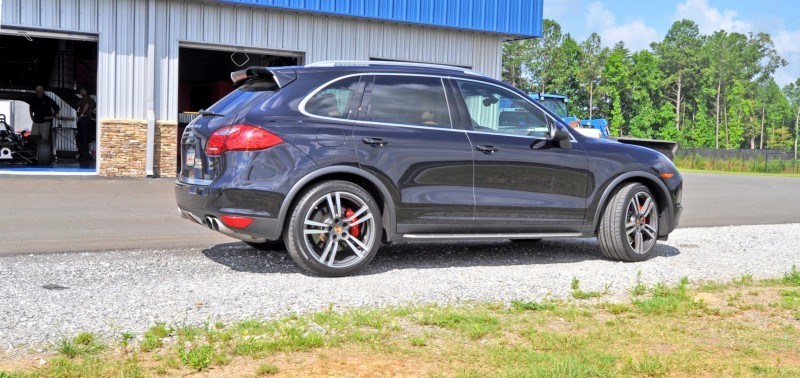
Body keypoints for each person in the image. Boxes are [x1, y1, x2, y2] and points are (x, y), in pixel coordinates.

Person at [75, 86, 96, 162]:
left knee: (82, 138)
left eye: (81, 89)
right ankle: (83, 154)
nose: (80, 90)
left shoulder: (85, 97)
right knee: (80, 138)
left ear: (84, 90)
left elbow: (86, 105)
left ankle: (85, 156)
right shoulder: (91, 99)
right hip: (89, 121)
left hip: (84, 120)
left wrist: (81, 114)